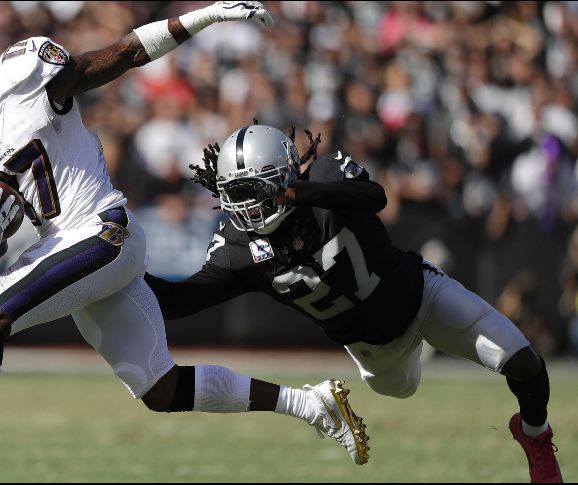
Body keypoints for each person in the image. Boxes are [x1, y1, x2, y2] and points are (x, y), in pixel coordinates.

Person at [0, 5, 371, 483]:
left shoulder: (26, 74)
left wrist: (208, 15)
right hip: (65, 243)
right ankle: (310, 404)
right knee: (160, 387)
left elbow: (127, 52)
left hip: (103, 229)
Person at [145, 123, 564, 484]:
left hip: (423, 295)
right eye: (235, 192)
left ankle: (535, 434)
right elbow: (180, 301)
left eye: (254, 189)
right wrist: (119, 276)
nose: (246, 205)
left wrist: (301, 195)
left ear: (284, 177)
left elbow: (373, 196)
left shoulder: (326, 175)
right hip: (373, 351)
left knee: (524, 361)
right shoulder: (237, 247)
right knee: (403, 390)